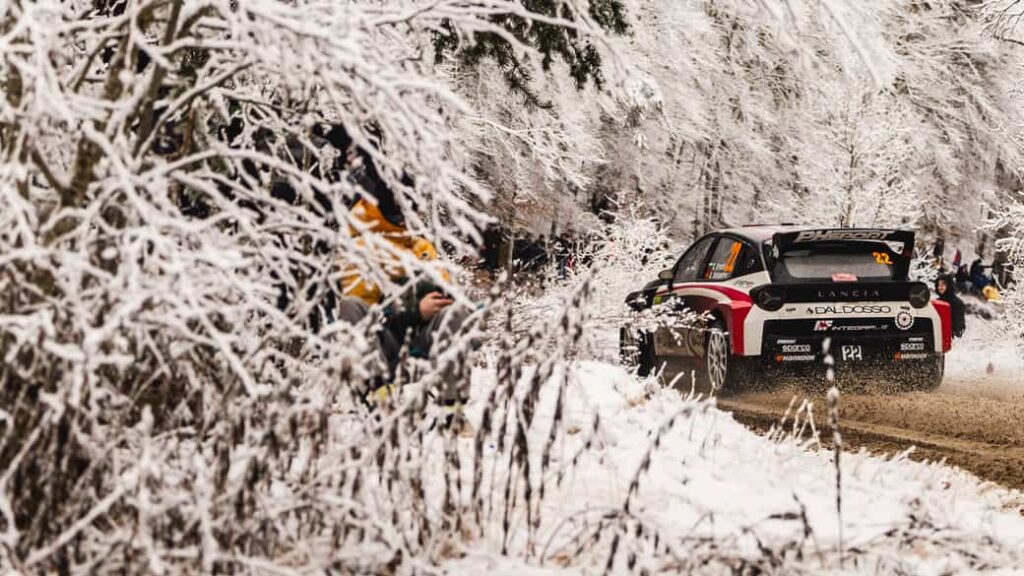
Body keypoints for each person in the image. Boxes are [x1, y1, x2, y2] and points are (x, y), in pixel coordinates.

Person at [935, 275, 966, 339]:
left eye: (943, 284)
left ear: (949, 285)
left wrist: (954, 334)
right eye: (938, 285)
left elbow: (959, 323)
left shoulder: (957, 302)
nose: (940, 287)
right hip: (937, 335)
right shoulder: (936, 302)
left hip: (950, 337)